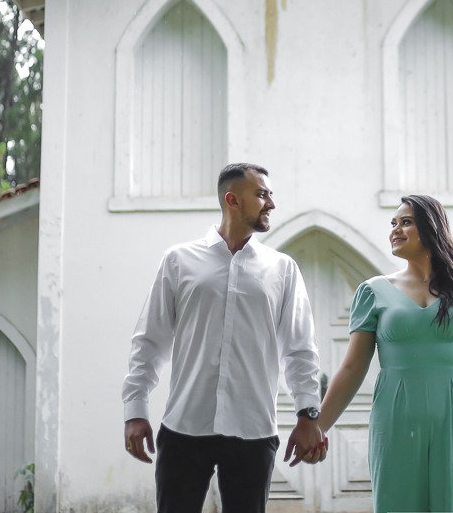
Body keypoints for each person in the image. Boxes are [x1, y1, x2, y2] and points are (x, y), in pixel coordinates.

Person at [121, 163, 327, 513]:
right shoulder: (178, 261)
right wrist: (135, 408)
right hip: (184, 426)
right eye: (262, 194)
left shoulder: (282, 269)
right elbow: (150, 339)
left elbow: (299, 349)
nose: (271, 204)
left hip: (254, 430)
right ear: (232, 199)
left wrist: (308, 416)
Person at [314, 194, 453, 512]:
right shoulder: (373, 292)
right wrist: (317, 426)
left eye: (406, 222)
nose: (395, 229)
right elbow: (351, 369)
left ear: (432, 228)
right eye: (393, 223)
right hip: (395, 425)